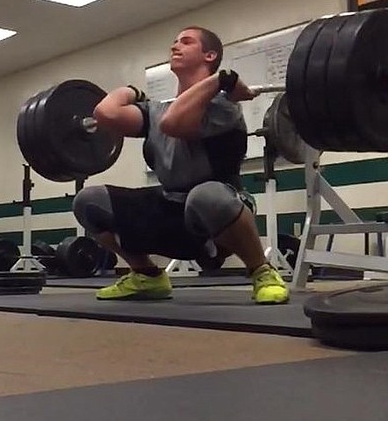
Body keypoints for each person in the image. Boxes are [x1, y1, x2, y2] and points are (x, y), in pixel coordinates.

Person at [73, 26, 289, 304]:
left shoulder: (224, 106)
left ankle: (261, 271)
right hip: (170, 206)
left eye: (186, 42)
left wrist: (217, 83)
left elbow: (173, 123)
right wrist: (132, 91)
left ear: (209, 55)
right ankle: (146, 275)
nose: (175, 46)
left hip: (215, 209)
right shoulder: (156, 108)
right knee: (89, 201)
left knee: (206, 195)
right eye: (174, 42)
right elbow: (105, 114)